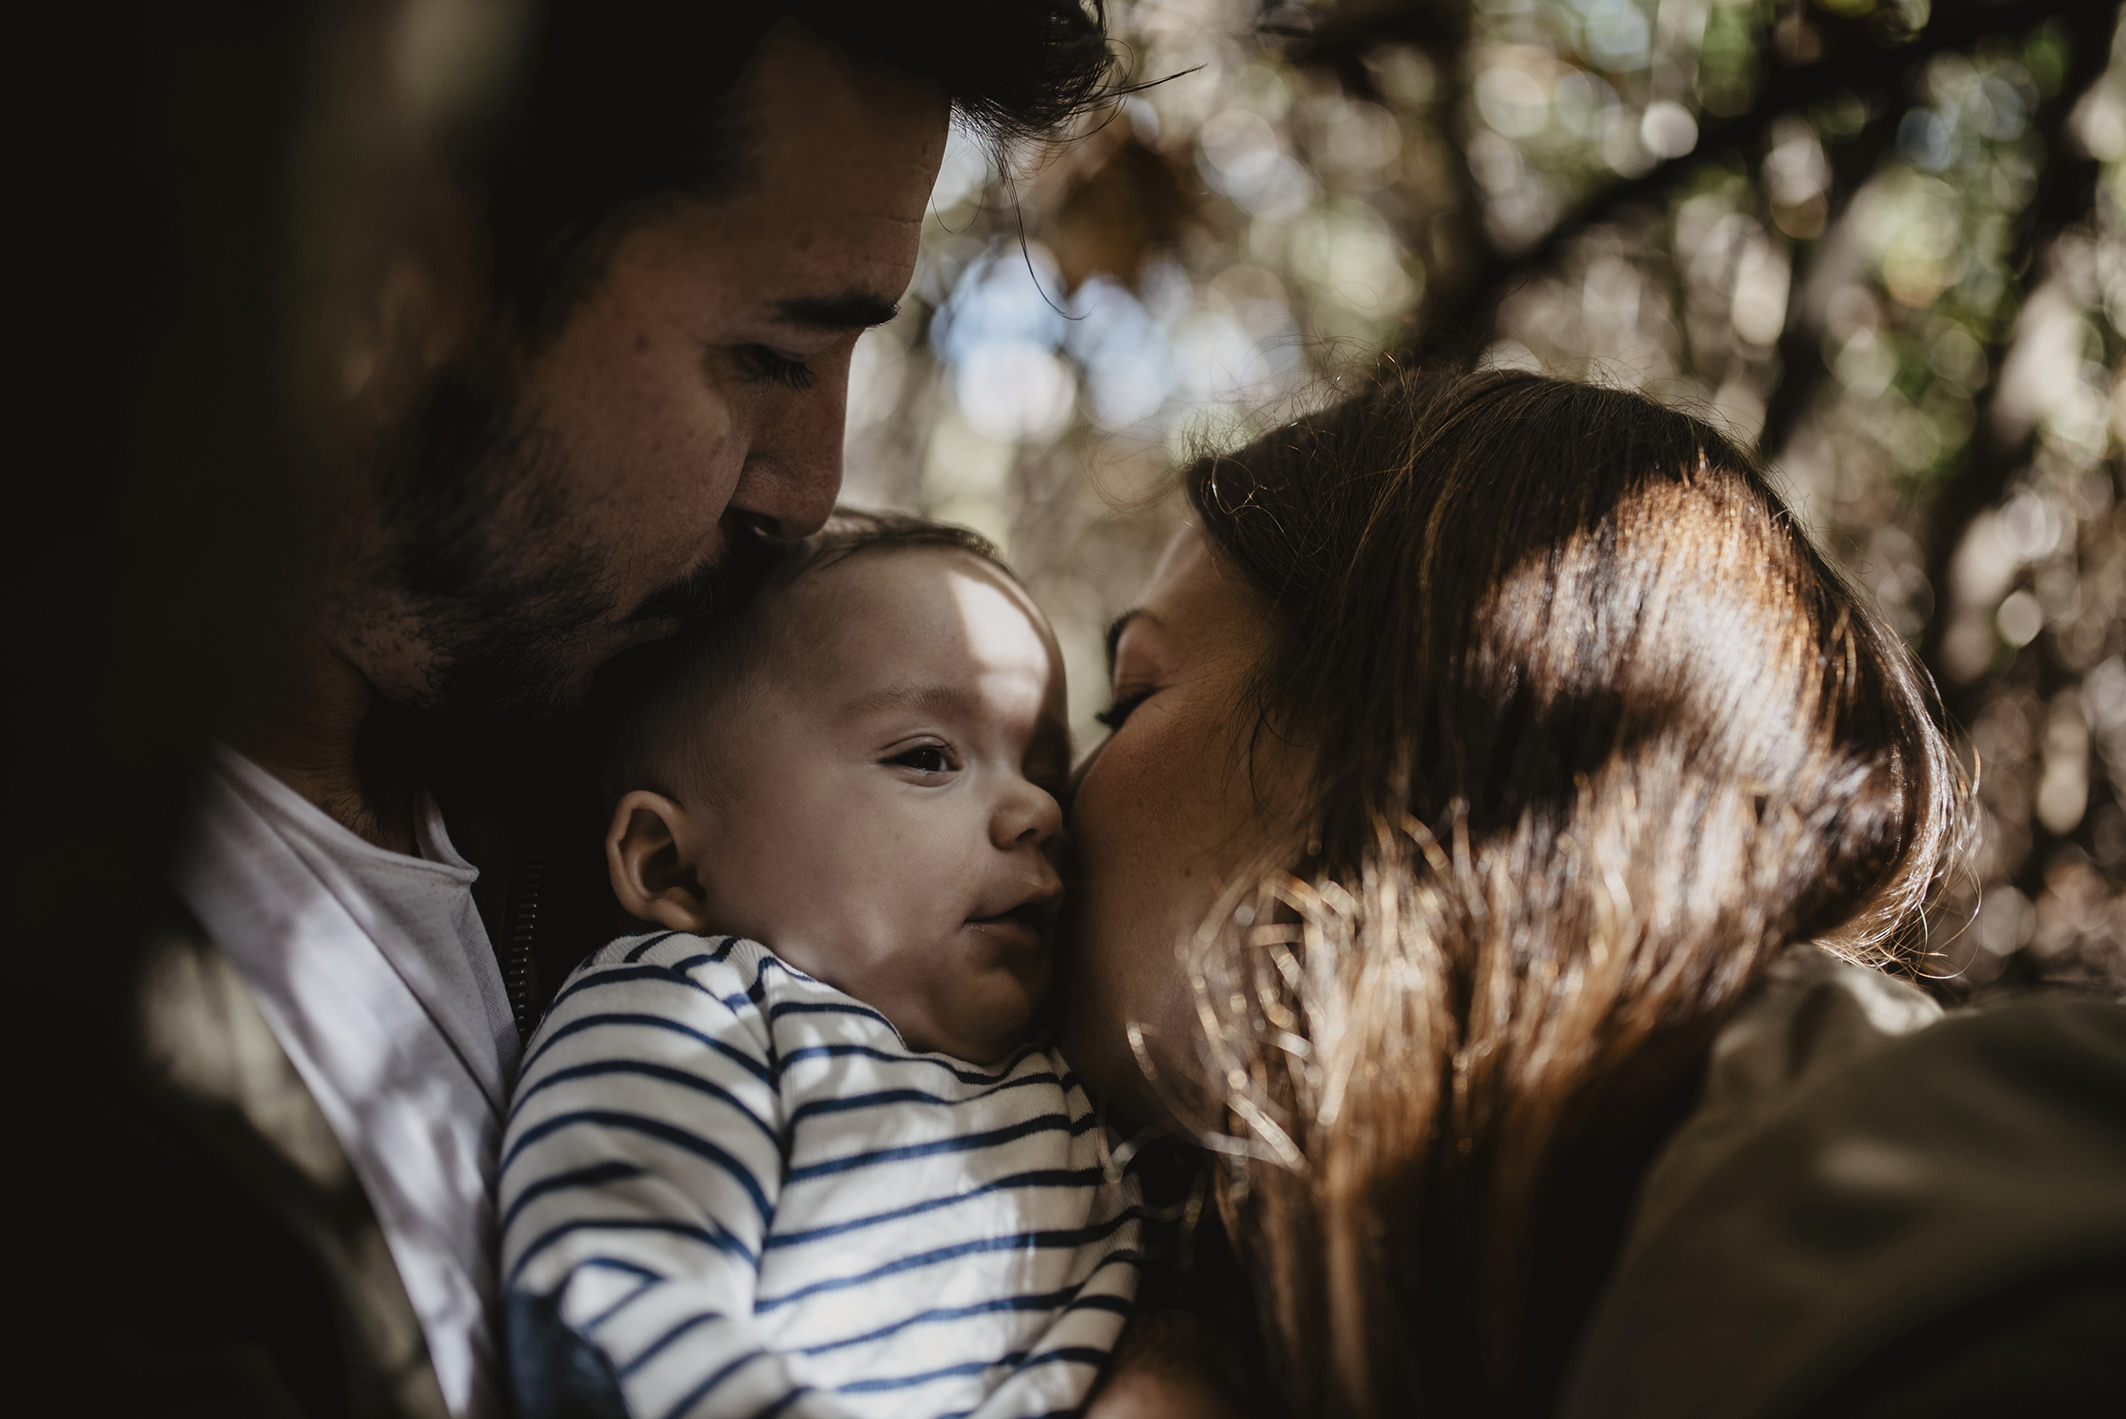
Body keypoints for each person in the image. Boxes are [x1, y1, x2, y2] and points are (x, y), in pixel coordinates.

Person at [112, 7, 1117, 1417]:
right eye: (770, 355)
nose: (807, 488)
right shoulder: (81, 1035)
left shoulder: (662, 756)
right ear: (393, 268)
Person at [1057, 366, 2126, 1417]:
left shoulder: (1937, 1235)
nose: (1051, 794)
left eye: (1128, 698)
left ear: (1400, 740)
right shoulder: (1344, 1272)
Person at [499, 512, 1141, 1418]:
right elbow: (610, 1306)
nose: (1037, 809)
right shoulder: (700, 1009)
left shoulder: (1069, 1073)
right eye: (927, 756)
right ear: (670, 865)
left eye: (1047, 769)